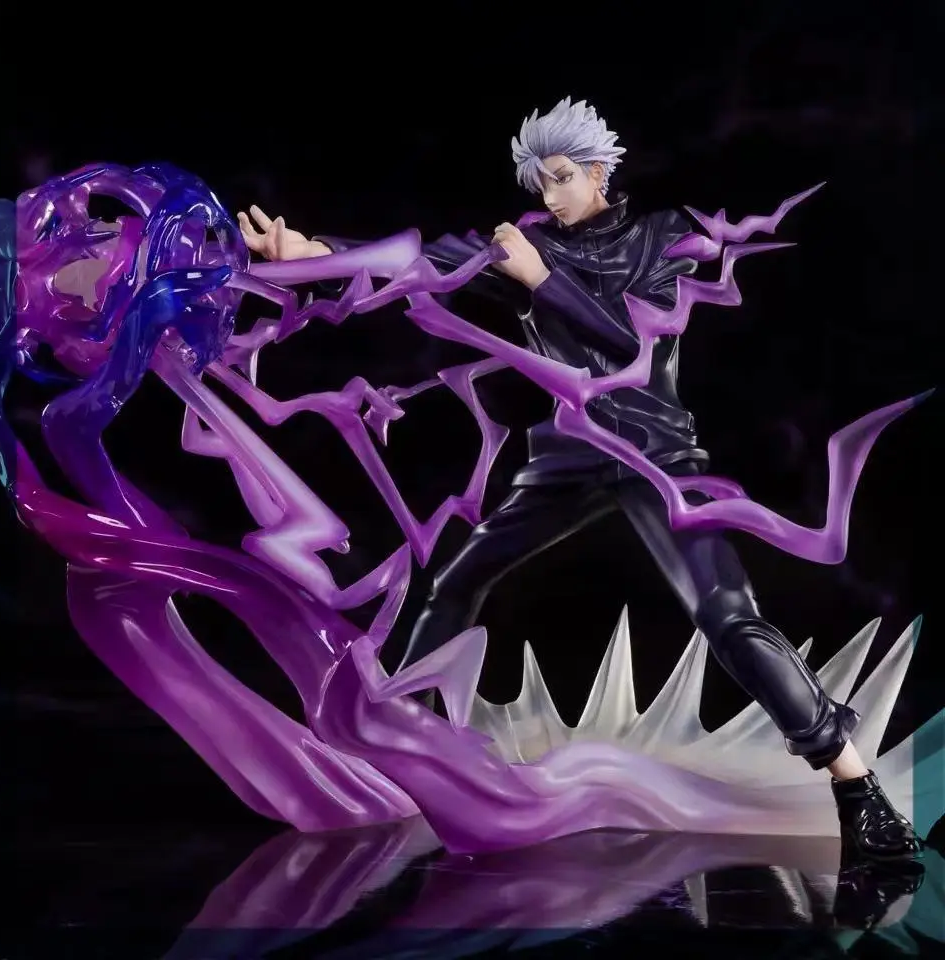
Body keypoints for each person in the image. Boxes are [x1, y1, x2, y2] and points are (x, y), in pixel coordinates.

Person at [238, 97, 923, 862]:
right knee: (453, 586)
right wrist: (311, 253)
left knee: (729, 616)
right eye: (540, 181)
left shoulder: (662, 238)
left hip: (658, 459)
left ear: (600, 172)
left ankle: (857, 790)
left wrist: (543, 283)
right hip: (567, 458)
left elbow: (633, 342)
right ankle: (403, 751)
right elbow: (417, 260)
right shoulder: (527, 243)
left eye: (562, 176)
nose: (549, 194)